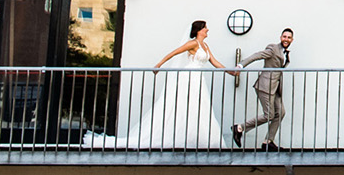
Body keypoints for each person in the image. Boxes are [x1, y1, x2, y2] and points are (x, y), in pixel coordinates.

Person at [84, 20, 239, 149]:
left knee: (199, 107)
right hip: (189, 78)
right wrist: (159, 65)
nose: (207, 30)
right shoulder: (192, 44)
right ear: (199, 30)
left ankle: (197, 139)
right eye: (205, 27)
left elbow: (214, 62)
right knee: (184, 106)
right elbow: (174, 53)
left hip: (199, 79)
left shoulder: (205, 46)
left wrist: (230, 71)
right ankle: (179, 137)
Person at [233, 28, 293, 150]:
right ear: (280, 37)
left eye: (289, 37)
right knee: (269, 115)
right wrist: (241, 65)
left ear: (292, 39)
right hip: (265, 86)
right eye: (284, 37)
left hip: (275, 88)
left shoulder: (284, 52)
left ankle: (268, 142)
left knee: (280, 112)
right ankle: (239, 128)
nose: (286, 39)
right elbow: (257, 55)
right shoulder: (273, 48)